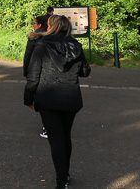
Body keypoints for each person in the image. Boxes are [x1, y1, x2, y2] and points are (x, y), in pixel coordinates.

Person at [24, 14, 91, 189]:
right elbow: (85, 71)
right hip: (71, 98)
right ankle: (65, 175)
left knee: (56, 139)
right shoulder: (76, 46)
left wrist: (28, 99)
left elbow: (33, 76)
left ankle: (62, 181)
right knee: (65, 136)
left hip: (48, 98)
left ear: (50, 26)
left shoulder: (41, 46)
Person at [23, 14, 50, 138]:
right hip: (52, 73)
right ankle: (50, 125)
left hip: (37, 73)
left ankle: (48, 126)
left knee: (38, 101)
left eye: (34, 23)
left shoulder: (34, 39)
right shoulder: (54, 38)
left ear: (39, 25)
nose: (33, 25)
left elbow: (28, 57)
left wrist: (26, 72)